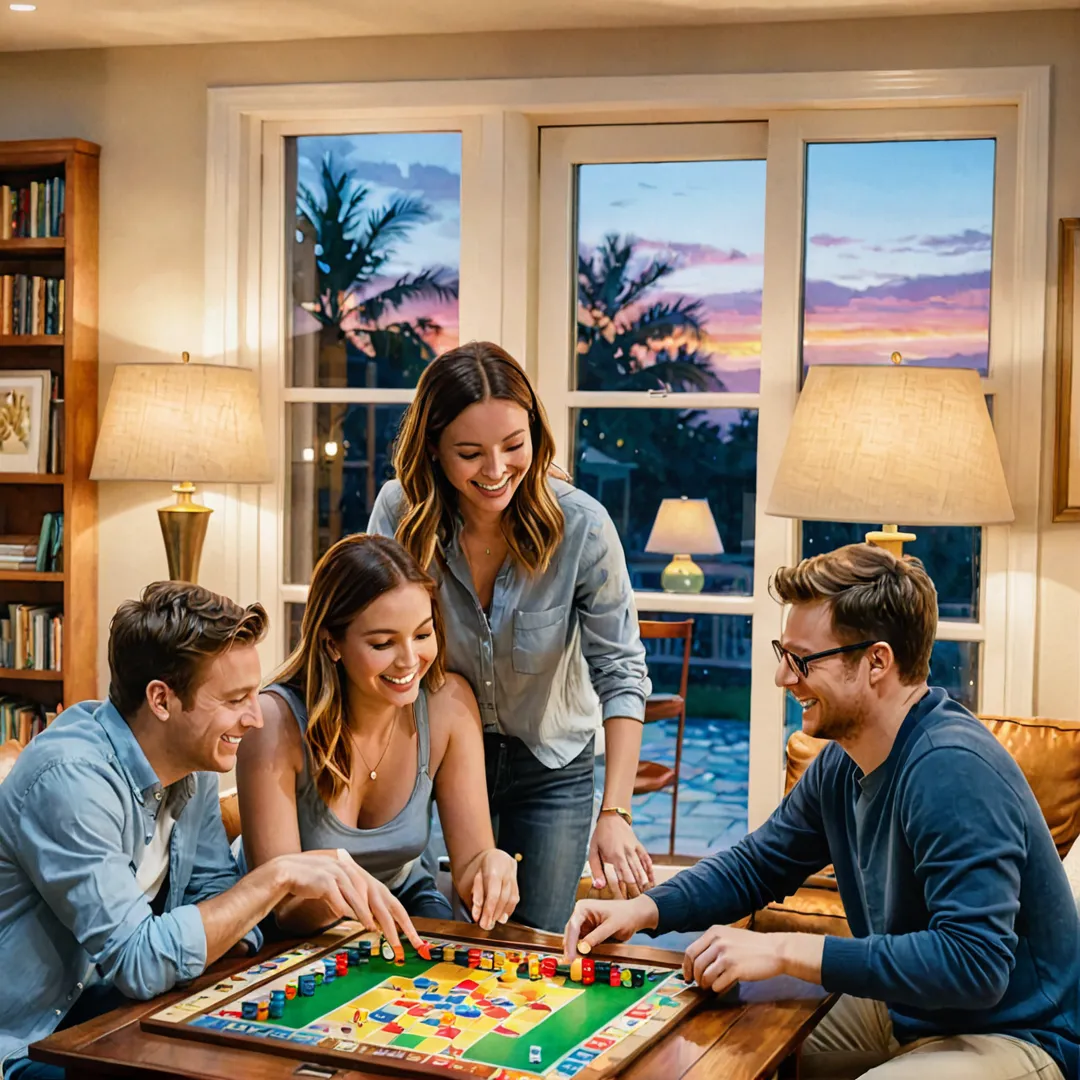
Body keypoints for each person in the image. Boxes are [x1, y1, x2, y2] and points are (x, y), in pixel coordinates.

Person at [564, 544, 1080, 1080]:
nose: (783, 679)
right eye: (782, 654)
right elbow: (755, 865)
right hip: (911, 1013)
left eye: (803, 660)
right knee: (717, 1046)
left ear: (877, 661)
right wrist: (641, 911)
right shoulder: (843, 762)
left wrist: (785, 949)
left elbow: (974, 964)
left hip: (1018, 1034)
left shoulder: (951, 768)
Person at [0, 581, 422, 1080]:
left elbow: (213, 896)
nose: (254, 719)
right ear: (162, 699)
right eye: (235, 699)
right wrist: (276, 877)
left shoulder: (192, 766)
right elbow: (140, 961)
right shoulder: (71, 781)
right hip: (29, 1041)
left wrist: (240, 914)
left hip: (113, 1014)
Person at [367, 340, 654, 932]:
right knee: (414, 936)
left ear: (535, 437)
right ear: (434, 452)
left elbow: (621, 672)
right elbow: (366, 635)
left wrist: (616, 812)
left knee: (532, 948)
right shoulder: (399, 512)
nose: (496, 471)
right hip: (426, 757)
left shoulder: (582, 526)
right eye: (470, 453)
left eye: (514, 446)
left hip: (550, 768)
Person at [237, 533, 519, 933]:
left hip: (403, 898)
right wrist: (357, 902)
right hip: (292, 925)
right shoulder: (273, 722)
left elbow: (472, 863)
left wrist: (491, 867)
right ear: (332, 643)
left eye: (423, 635)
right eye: (383, 643)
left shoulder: (449, 706)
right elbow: (282, 906)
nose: (409, 660)